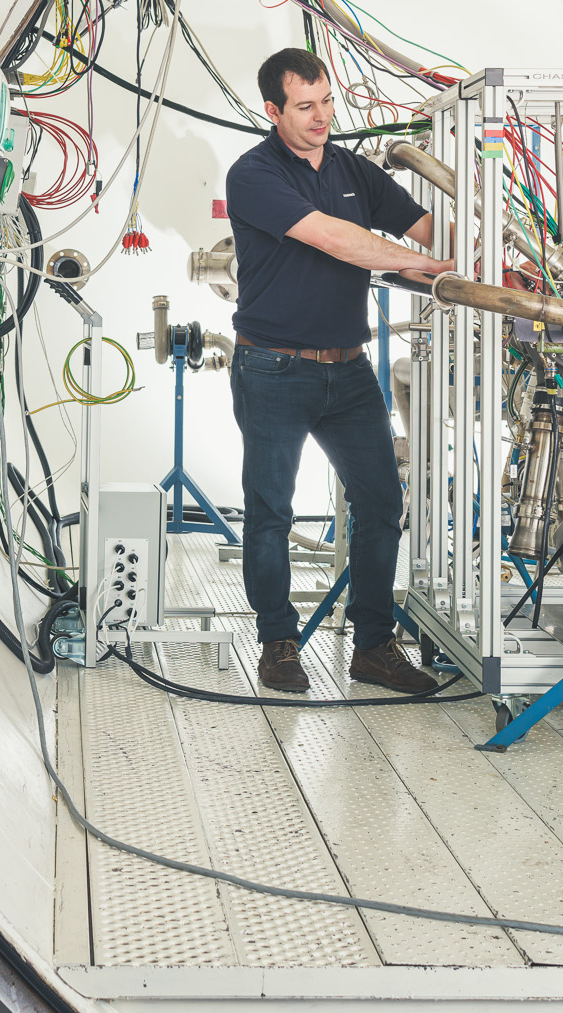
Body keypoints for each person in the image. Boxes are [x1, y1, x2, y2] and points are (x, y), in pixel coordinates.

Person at [225, 48, 454, 693]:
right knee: (271, 510)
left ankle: (373, 646)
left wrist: (491, 250)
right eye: (305, 107)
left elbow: (425, 225)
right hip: (273, 368)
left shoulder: (352, 168)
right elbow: (335, 238)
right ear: (273, 111)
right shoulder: (253, 174)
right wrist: (427, 270)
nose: (322, 116)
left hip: (349, 371)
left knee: (382, 504)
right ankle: (278, 642)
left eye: (327, 102)